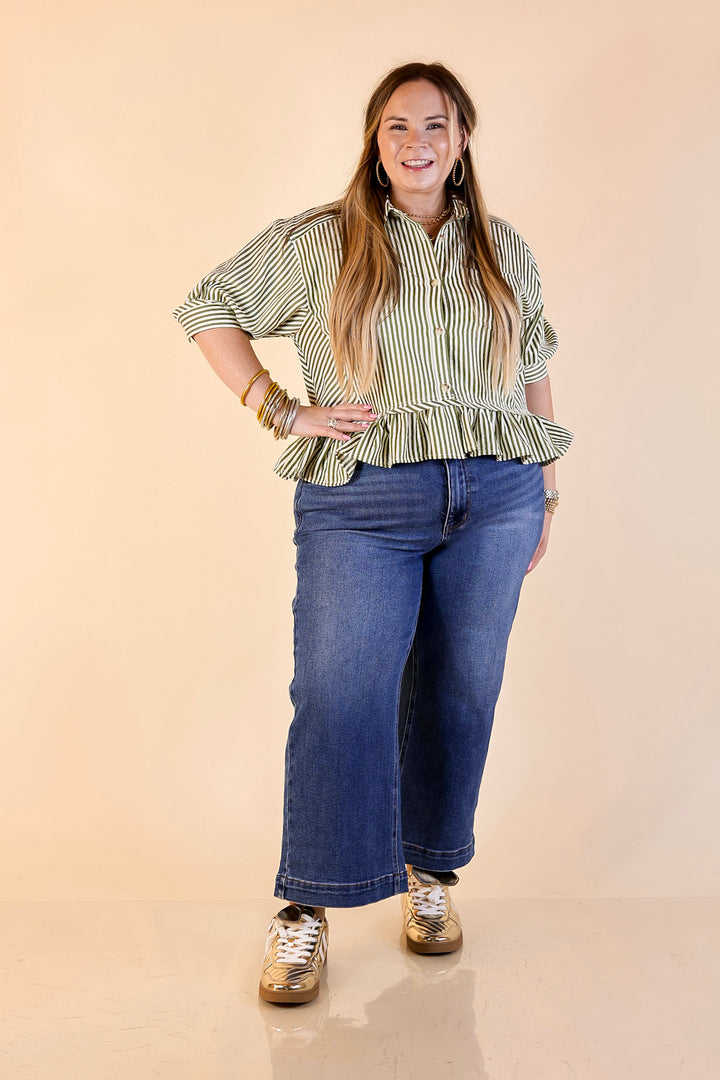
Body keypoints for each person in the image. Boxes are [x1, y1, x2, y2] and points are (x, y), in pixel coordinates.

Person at [171, 60, 573, 1006]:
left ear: (462, 138)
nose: (417, 141)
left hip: (497, 496)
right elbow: (206, 312)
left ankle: (430, 878)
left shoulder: (502, 249)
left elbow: (538, 362)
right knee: (340, 692)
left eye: (435, 125)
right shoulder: (321, 241)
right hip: (364, 498)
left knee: (459, 693)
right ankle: (306, 909)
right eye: (397, 126)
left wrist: (548, 493)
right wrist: (280, 409)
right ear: (375, 139)